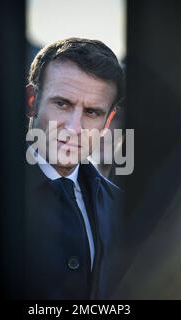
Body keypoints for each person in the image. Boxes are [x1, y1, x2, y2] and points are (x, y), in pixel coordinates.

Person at [13, 38, 125, 299]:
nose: (75, 128)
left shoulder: (118, 206)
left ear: (108, 120)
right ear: (31, 101)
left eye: (92, 112)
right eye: (62, 104)